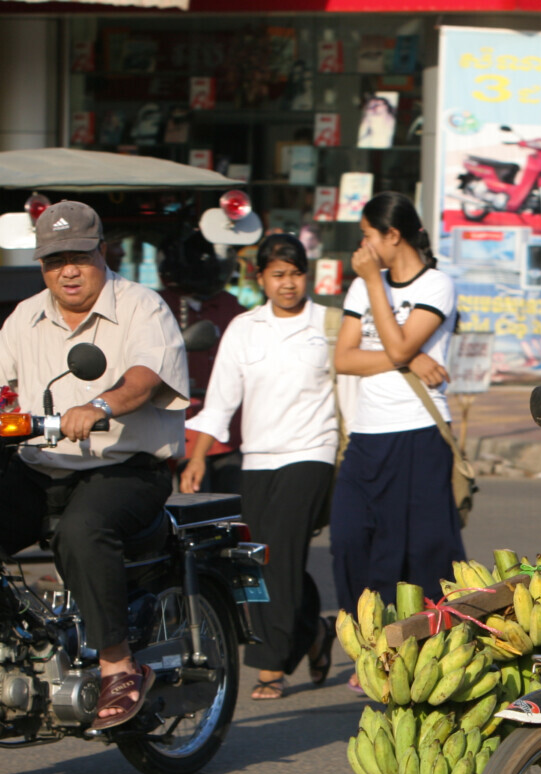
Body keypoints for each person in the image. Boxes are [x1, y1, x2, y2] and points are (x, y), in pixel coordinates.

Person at [0, 201, 190, 728]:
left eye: (78, 257)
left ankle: (118, 665)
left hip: (124, 469)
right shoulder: (25, 316)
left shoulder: (140, 307)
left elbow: (144, 377)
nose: (67, 270)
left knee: (83, 530)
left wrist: (100, 405)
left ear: (100, 251)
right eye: (54, 259)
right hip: (43, 467)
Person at [180, 235, 338, 699]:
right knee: (260, 559)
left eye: (295, 273)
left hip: (313, 452)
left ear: (306, 275)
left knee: (282, 554)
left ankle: (271, 665)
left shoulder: (328, 324)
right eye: (277, 274)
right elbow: (222, 399)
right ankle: (312, 630)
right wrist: (195, 456)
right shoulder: (243, 328)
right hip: (258, 458)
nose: (287, 284)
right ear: (261, 278)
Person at [331, 191, 463, 631]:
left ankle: (425, 640)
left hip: (419, 431)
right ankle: (368, 636)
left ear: (393, 234)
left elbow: (400, 343)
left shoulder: (436, 285)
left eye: (368, 235)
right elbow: (344, 358)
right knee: (349, 538)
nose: (362, 247)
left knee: (422, 550)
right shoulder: (359, 285)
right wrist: (410, 358)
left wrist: (374, 284)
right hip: (367, 434)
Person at [159, 228, 247, 494]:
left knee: (230, 505)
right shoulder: (158, 307)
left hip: (229, 430)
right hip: (178, 427)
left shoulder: (232, 307)